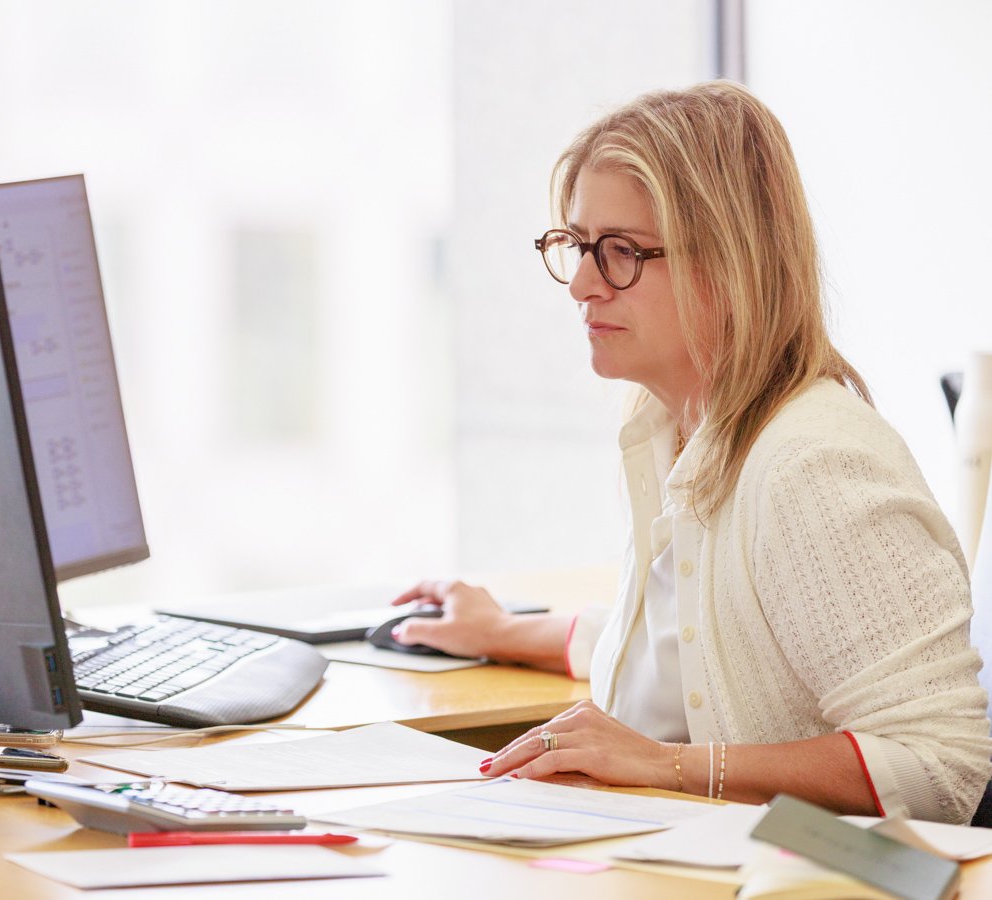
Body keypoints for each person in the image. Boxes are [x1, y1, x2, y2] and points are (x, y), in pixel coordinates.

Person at [391, 81, 992, 824]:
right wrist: (503, 633)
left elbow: (940, 768)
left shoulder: (813, 464)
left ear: (731, 262)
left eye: (619, 253)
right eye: (575, 246)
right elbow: (699, 643)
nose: (581, 284)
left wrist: (667, 767)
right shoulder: (666, 425)